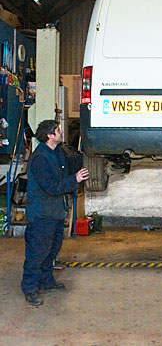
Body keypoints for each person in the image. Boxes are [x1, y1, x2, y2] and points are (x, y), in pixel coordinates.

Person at [21, 120, 89, 306]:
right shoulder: (40, 158)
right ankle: (30, 288)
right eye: (58, 130)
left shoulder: (58, 152)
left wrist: (95, 153)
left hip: (56, 212)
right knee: (37, 252)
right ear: (50, 136)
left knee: (52, 250)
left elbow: (72, 162)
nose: (61, 132)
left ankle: (46, 281)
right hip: (42, 214)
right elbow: (51, 187)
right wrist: (74, 179)